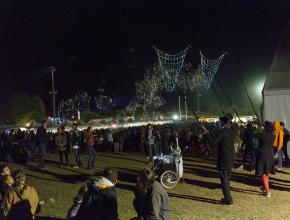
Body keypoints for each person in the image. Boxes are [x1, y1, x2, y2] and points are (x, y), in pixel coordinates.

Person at [215, 113, 236, 205]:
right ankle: (228, 197)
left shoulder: (222, 132)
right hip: (230, 158)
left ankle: (228, 199)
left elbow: (214, 142)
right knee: (226, 179)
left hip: (223, 159)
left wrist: (207, 134)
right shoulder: (232, 132)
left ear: (223, 122)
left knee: (224, 180)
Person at [255, 121, 275, 197]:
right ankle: (265, 187)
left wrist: (258, 128)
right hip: (270, 155)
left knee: (263, 173)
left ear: (266, 128)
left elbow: (254, 135)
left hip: (262, 155)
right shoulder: (273, 135)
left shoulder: (262, 135)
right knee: (266, 172)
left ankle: (267, 192)